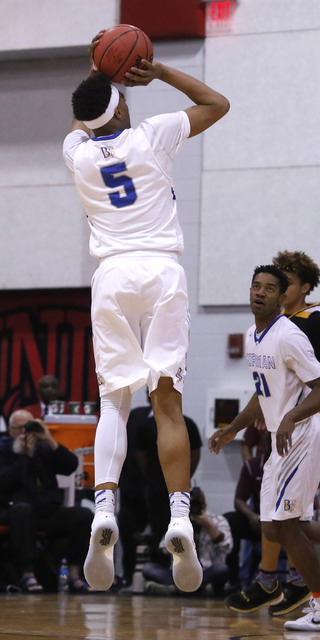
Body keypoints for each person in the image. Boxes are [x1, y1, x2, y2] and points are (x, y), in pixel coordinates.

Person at [62, 31, 229, 592]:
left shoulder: (76, 152)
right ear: (123, 103)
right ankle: (180, 517)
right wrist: (158, 73)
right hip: (162, 272)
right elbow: (217, 104)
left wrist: (99, 73)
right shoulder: (153, 136)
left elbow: (87, 115)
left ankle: (104, 508)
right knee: (167, 405)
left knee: (114, 401)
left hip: (111, 277)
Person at [209, 265, 320, 632]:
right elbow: (264, 395)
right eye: (255, 286)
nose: (260, 292)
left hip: (303, 433)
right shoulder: (251, 335)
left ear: (281, 297)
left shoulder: (289, 336)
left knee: (288, 527)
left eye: (270, 288)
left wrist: (291, 417)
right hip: (282, 437)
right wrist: (232, 428)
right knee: (275, 527)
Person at [0, 409, 93, 592]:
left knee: (83, 516)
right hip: (16, 511)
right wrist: (24, 456)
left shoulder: (44, 448)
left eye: (28, 427)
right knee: (23, 511)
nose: (23, 433)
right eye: (18, 428)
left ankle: (74, 572)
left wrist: (49, 439)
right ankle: (27, 573)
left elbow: (71, 465)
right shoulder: (4, 450)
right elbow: (3, 483)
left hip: (48, 511)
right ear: (10, 430)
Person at [117, 390, 203, 586]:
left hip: (169, 488)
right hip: (139, 487)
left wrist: (183, 478)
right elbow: (139, 454)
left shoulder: (185, 422)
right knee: (130, 530)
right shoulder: (137, 418)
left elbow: (195, 451)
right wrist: (150, 478)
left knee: (166, 529)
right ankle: (130, 576)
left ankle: (167, 574)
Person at [143, 486, 233, 596]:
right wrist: (180, 530)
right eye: (190, 506)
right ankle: (199, 590)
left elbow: (227, 547)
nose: (193, 509)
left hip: (206, 572)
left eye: (196, 505)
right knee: (148, 568)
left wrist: (207, 525)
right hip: (179, 573)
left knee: (221, 569)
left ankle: (176, 590)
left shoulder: (218, 521)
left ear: (204, 506)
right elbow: (163, 548)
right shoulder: (178, 522)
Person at [224, 434, 270, 590]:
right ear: (264, 443)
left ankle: (296, 579)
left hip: (285, 521)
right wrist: (252, 516)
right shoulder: (252, 466)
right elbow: (239, 500)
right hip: (258, 520)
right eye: (270, 440)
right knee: (229, 521)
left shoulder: (293, 464)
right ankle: (233, 579)